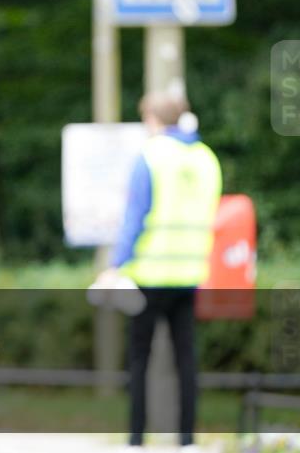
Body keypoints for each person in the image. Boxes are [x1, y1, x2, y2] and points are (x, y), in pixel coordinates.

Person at [98, 91, 222, 452]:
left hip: (149, 275)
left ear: (152, 118)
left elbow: (134, 219)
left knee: (139, 359)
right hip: (189, 273)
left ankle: (136, 440)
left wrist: (114, 266)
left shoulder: (150, 156)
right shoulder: (206, 158)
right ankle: (187, 441)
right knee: (187, 359)